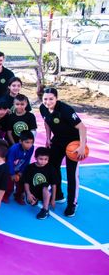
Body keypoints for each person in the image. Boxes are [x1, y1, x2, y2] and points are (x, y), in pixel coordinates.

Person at [40, 87, 87, 217]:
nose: (48, 101)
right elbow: (47, 122)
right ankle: (59, 195)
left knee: (71, 174)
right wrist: (48, 138)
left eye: (51, 99)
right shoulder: (43, 108)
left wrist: (82, 146)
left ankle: (72, 204)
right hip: (58, 141)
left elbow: (82, 128)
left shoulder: (66, 110)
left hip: (73, 144)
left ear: (56, 99)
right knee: (53, 168)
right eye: (45, 99)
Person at [24, 147, 58, 219]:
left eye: (46, 159)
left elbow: (54, 185)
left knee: (45, 185)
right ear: (35, 158)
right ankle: (35, 199)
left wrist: (53, 199)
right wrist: (28, 194)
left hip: (46, 191)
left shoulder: (51, 168)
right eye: (41, 159)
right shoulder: (30, 167)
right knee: (30, 202)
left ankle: (45, 209)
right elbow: (26, 182)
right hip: (35, 190)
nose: (43, 161)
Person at [6, 130, 34, 204]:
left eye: (31, 142)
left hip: (19, 168)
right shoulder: (13, 149)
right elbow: (9, 162)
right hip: (9, 169)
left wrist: (21, 171)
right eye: (27, 142)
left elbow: (27, 160)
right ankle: (5, 195)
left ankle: (18, 196)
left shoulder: (31, 148)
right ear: (20, 141)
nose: (29, 145)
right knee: (9, 185)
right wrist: (12, 174)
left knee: (22, 183)